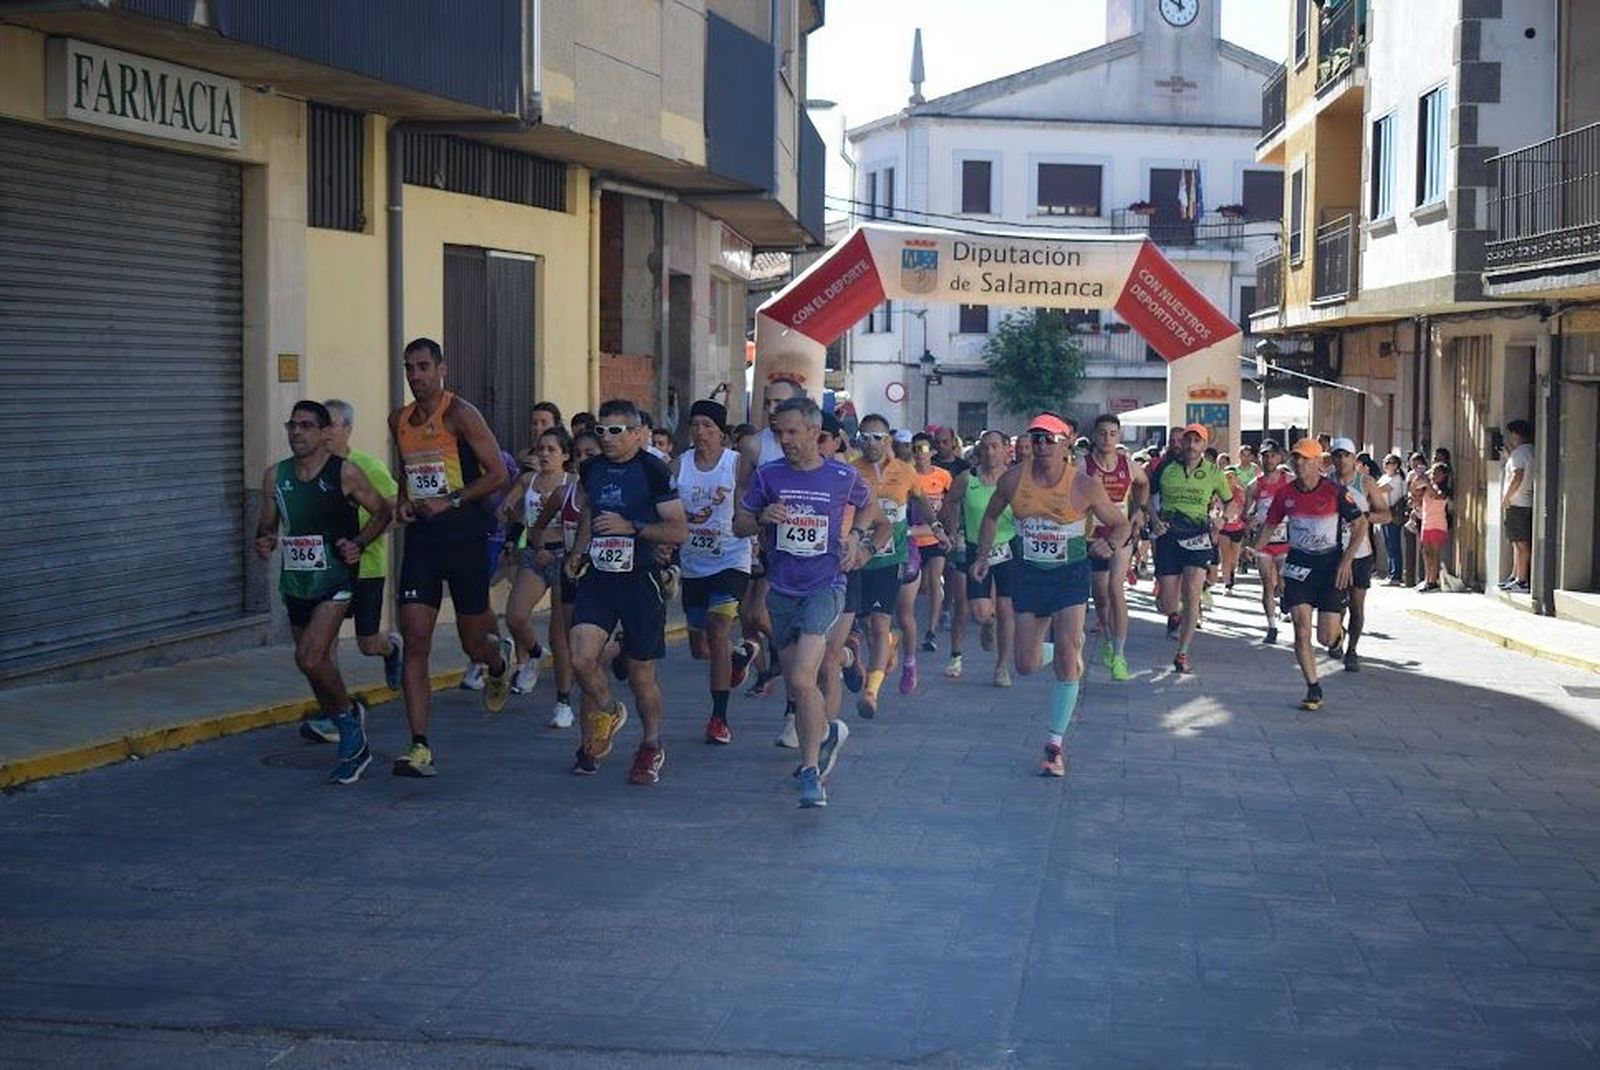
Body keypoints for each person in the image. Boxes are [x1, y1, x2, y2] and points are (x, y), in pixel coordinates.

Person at [735, 397, 888, 808]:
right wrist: (762, 516)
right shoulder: (769, 476)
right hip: (782, 590)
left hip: (826, 586)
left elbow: (870, 505)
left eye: (792, 432)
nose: (785, 440)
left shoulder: (840, 475)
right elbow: (739, 524)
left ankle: (809, 771)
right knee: (797, 684)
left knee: (804, 677)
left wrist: (856, 537)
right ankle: (828, 733)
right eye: (778, 432)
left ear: (813, 432)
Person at [973, 413, 1130, 777]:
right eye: (1036, 439)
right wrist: (982, 555)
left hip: (1070, 575)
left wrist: (1111, 543)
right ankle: (1062, 653)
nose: (1041, 445)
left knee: (1066, 649)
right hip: (1029, 575)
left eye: (1048, 439)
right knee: (1024, 664)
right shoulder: (1014, 480)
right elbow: (992, 516)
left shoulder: (1085, 486)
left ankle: (1054, 744)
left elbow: (1121, 523)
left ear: (1065, 444)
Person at [389, 339, 513, 778]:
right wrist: (404, 502)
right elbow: (408, 471)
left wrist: (452, 501)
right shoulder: (399, 419)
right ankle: (419, 745)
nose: (416, 375)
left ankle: (497, 662)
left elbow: (498, 473)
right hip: (423, 539)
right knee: (416, 637)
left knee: (472, 644)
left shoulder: (461, 413)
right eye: (409, 368)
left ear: (441, 368)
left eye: (424, 367)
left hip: (464, 536)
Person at [255, 401, 392, 783]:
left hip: (335, 581)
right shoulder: (274, 477)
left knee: (312, 657)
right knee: (310, 662)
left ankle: (349, 731)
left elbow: (382, 511)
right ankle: (349, 715)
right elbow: (267, 525)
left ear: (322, 432)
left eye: (305, 426)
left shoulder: (345, 473)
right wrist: (263, 540)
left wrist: (359, 543)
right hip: (297, 582)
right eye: (291, 425)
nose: (296, 432)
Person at [563, 399, 689, 783]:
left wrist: (632, 527)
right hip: (599, 576)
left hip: (640, 579)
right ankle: (607, 711)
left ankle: (651, 746)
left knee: (640, 673)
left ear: (638, 434)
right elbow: (590, 511)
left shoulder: (654, 470)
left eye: (615, 431)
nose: (606, 438)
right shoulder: (593, 468)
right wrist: (578, 551)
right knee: (582, 658)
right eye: (601, 430)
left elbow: (678, 530)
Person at [1257, 438, 1366, 711]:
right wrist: (1253, 549)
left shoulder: (1336, 491)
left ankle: (1337, 636)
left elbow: (1361, 524)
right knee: (1300, 628)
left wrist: (1346, 561)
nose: (1300, 463)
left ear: (1320, 463)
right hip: (1298, 566)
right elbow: (1269, 527)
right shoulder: (1285, 494)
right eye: (1297, 458)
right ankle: (1313, 687)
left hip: (1330, 566)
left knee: (1325, 638)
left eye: (1307, 459)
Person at [853, 413, 942, 717]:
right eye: (864, 437)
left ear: (888, 440)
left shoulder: (905, 471)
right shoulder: (851, 471)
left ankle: (871, 691)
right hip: (859, 559)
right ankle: (889, 645)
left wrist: (938, 527)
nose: (871, 443)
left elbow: (922, 502)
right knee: (866, 624)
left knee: (880, 622)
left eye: (877, 437)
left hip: (892, 558)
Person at [674, 399, 751, 745]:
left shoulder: (736, 466)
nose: (700, 431)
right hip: (693, 564)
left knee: (719, 628)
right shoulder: (679, 466)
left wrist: (752, 530)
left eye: (707, 425)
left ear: (722, 432)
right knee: (700, 648)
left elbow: (749, 507)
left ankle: (719, 718)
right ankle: (740, 655)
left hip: (731, 559)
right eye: (695, 425)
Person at [323, 399, 403, 695]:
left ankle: (391, 649)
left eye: (331, 424)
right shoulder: (313, 471)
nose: (325, 432)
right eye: (321, 425)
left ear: (348, 429)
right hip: (329, 573)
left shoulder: (369, 467)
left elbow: (396, 511)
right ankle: (333, 710)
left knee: (367, 643)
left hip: (366, 568)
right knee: (324, 644)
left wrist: (364, 539)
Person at [499, 426, 574, 702]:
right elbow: (508, 508)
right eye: (540, 449)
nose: (544, 454)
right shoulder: (527, 480)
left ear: (565, 455)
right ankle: (535, 654)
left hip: (563, 556)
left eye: (551, 449)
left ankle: (563, 701)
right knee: (515, 617)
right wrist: (505, 512)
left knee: (560, 636)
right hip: (534, 553)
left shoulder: (572, 482)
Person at [1152, 423, 1230, 673]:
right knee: (1167, 603)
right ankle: (1174, 615)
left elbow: (1232, 501)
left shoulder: (1213, 472)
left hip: (1198, 535)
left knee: (1193, 594)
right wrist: (1154, 520)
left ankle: (1182, 654)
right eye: (1188, 440)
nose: (1192, 445)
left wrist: (1223, 519)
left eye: (1197, 441)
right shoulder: (1166, 468)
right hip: (1169, 535)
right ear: (1181, 443)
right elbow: (1146, 498)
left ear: (1204, 446)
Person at [945, 429, 1018, 688]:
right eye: (985, 448)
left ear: (1006, 449)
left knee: (1007, 608)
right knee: (980, 610)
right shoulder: (967, 479)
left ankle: (1002, 667)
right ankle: (988, 623)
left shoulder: (1014, 480)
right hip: (976, 549)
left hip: (1008, 547)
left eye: (995, 447)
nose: (990, 452)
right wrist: (952, 529)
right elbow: (951, 502)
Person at [1082, 414, 1149, 682]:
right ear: (1095, 436)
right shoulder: (1082, 464)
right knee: (1100, 594)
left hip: (1119, 534)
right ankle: (1109, 639)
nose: (1107, 438)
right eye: (1102, 433)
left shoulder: (1128, 466)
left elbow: (1143, 484)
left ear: (1119, 437)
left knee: (1115, 588)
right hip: (1092, 537)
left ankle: (1120, 655)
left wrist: (1138, 512)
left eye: (1112, 433)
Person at [1330, 436, 1389, 672]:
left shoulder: (1365, 482)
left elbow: (1386, 515)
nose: (1342, 460)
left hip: (1361, 553)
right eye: (1337, 455)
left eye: (1346, 455)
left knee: (1356, 604)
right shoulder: (1326, 483)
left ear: (1354, 458)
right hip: (1333, 552)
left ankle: (1352, 650)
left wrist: (1365, 518)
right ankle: (1336, 635)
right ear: (1332, 458)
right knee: (1334, 604)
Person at [910, 432, 954, 660]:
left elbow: (951, 505)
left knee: (935, 580)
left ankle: (931, 631)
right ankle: (908, 627)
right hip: (913, 538)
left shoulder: (944, 476)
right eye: (915, 449)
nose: (919, 454)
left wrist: (952, 531)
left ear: (933, 453)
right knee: (918, 587)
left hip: (935, 538)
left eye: (923, 449)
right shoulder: (907, 476)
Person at [1247, 441, 1292, 644]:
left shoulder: (1290, 480)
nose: (1269, 459)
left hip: (1286, 540)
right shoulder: (1254, 486)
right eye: (1265, 455)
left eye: (1273, 455)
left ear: (1280, 457)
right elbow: (1244, 516)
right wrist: (1251, 519)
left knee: (1285, 582)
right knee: (1267, 584)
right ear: (1260, 458)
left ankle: (1285, 602)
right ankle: (1272, 626)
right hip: (1263, 543)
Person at [1500, 419, 1534, 593]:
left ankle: (1521, 580)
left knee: (1520, 543)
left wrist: (1507, 497)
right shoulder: (1530, 451)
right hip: (1526, 501)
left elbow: (1518, 475)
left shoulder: (1519, 453)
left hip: (1517, 502)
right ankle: (1515, 576)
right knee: (1517, 542)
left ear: (1517, 434)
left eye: (1512, 434)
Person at [1418, 462, 1451, 592]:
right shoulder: (1427, 486)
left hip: (1438, 523)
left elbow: (1436, 495)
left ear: (1444, 475)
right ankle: (1427, 578)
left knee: (1434, 553)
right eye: (1433, 472)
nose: (1434, 475)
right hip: (1426, 522)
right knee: (1425, 552)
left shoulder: (1443, 490)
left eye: (1437, 472)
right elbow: (1414, 490)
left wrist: (1428, 482)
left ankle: (1433, 581)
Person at [1377, 453, 1408, 586]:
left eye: (1389, 462)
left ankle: (1396, 575)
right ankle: (1391, 573)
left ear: (1396, 465)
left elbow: (1381, 489)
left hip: (1393, 512)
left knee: (1394, 544)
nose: (1386, 465)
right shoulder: (1384, 477)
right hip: (1383, 512)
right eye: (1385, 462)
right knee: (1388, 545)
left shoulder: (1397, 479)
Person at [1217, 466, 1248, 593]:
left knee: (1234, 557)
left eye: (1231, 477)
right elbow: (1216, 507)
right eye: (1226, 477)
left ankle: (1232, 572)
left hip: (1237, 527)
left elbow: (1241, 508)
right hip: (1223, 528)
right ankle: (1227, 583)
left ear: (1236, 479)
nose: (1228, 479)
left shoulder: (1240, 491)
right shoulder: (1219, 491)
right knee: (1225, 556)